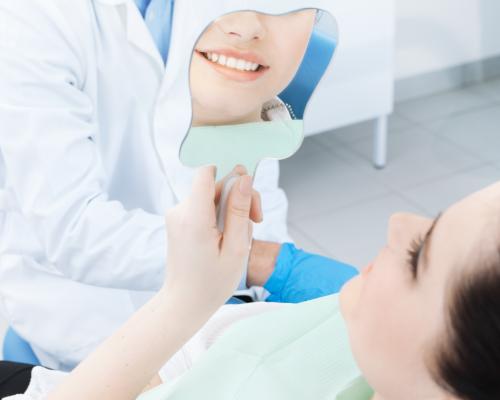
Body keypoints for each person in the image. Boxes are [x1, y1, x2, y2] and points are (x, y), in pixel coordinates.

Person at [0, 2, 356, 370]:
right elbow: (73, 227)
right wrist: (258, 260)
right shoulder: (32, 16)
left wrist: (267, 285)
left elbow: (252, 146)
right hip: (91, 320)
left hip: (219, 310)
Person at [3, 174, 499, 400]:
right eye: (436, 217)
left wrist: (183, 300)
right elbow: (185, 364)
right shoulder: (354, 324)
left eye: (419, 256)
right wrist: (256, 264)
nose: (397, 222)